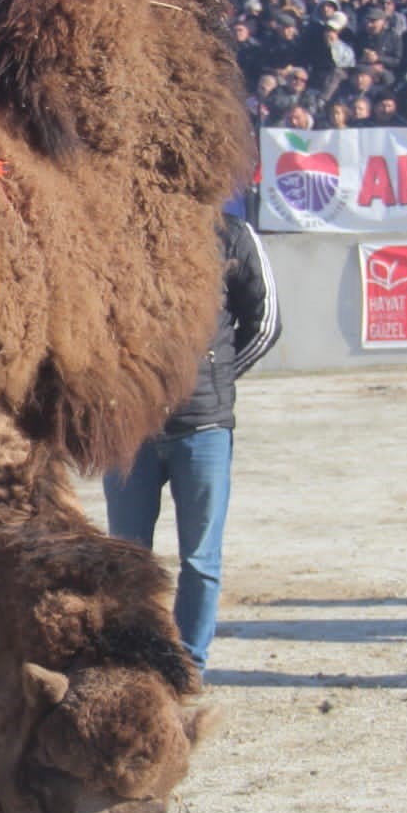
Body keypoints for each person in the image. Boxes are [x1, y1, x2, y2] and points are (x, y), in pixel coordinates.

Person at [103, 212, 280, 672]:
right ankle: (132, 659)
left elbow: (265, 324)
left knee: (200, 559)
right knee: (126, 557)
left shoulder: (231, 235)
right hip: (132, 430)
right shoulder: (117, 228)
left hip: (203, 429)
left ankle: (190, 665)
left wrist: (213, 378)